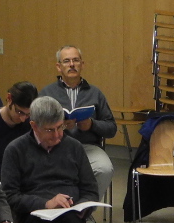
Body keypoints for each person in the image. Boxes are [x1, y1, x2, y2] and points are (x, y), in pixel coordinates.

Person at [38, 46, 118, 194]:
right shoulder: (47, 93)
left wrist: (91, 125)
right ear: (59, 67)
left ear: (82, 64)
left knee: (105, 169)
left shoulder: (95, 93)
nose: (72, 65)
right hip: (55, 147)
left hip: (88, 147)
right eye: (66, 61)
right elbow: (35, 127)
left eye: (75, 60)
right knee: (47, 173)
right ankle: (64, 205)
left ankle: (86, 206)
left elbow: (111, 128)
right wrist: (59, 127)